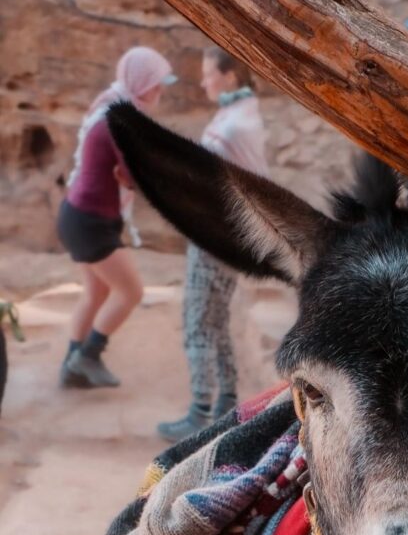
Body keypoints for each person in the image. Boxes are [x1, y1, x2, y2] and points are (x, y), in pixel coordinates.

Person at [156, 47, 269, 443]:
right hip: (229, 237)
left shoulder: (233, 125)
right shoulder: (243, 113)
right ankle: (226, 404)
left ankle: (200, 413)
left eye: (209, 74)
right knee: (216, 320)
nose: (203, 81)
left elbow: (208, 184)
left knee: (197, 322)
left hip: (213, 237)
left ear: (231, 76)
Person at [58, 47, 176, 390]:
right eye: (156, 84)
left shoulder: (112, 104)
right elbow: (133, 175)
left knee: (94, 293)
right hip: (90, 222)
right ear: (140, 83)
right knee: (130, 292)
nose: (160, 91)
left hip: (79, 216)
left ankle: (71, 369)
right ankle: (87, 357)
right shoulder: (120, 119)